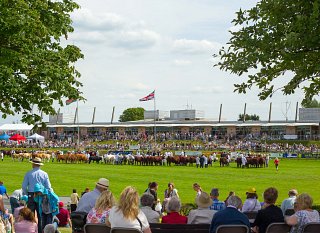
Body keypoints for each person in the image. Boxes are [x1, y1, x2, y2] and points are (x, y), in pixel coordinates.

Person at [22, 157, 53, 232]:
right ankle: (40, 230)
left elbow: (23, 186)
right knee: (40, 215)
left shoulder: (29, 173)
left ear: (33, 164)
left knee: (30, 215)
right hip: (41, 194)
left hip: (31, 194)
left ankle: (30, 230)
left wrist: (28, 194)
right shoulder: (44, 174)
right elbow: (48, 187)